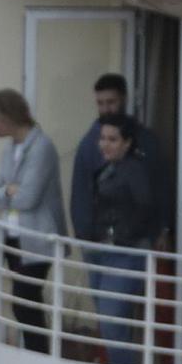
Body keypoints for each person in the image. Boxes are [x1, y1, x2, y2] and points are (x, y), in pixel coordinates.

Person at [0, 88, 64, 354]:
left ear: (7, 117)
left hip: (37, 239)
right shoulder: (10, 150)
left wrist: (6, 191)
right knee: (21, 304)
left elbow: (28, 198)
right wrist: (8, 190)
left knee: (25, 302)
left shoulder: (41, 148)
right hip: (13, 236)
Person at [69, 72, 170, 253]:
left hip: (135, 241)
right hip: (97, 239)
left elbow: (159, 187)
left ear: (123, 99)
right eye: (100, 103)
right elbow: (81, 191)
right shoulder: (88, 144)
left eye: (111, 102)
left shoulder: (146, 140)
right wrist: (83, 234)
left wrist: (162, 228)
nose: (106, 109)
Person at [85, 113, 155, 364]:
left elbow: (144, 208)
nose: (105, 144)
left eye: (112, 139)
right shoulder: (107, 169)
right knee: (108, 323)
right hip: (102, 251)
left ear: (127, 143)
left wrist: (120, 236)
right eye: (102, 138)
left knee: (114, 320)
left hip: (124, 253)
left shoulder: (134, 170)